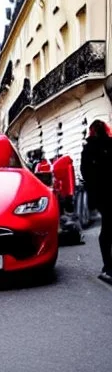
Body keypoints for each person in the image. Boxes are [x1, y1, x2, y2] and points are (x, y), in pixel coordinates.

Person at [80, 119, 112, 283]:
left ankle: (108, 267)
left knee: (106, 230)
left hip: (101, 194)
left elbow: (85, 173)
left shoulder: (88, 148)